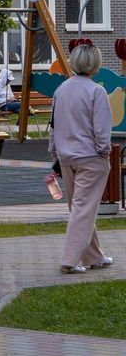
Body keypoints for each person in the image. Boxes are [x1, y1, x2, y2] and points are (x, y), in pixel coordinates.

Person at [49, 43, 113, 274]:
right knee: (83, 210)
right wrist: (104, 151)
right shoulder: (97, 91)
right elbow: (102, 129)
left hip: (66, 158)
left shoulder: (61, 90)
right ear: (96, 65)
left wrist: (54, 153)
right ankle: (70, 260)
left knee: (80, 208)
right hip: (91, 158)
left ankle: (94, 256)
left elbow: (53, 125)